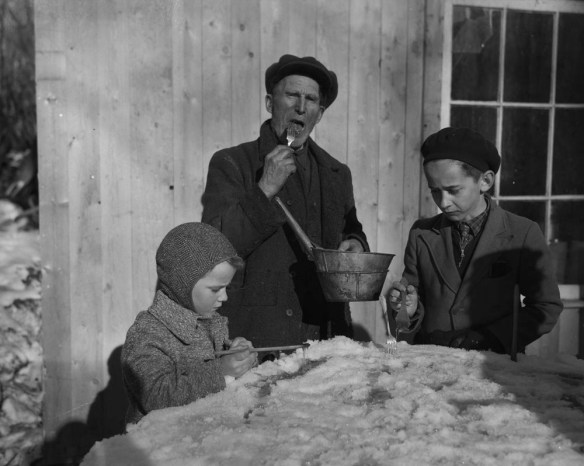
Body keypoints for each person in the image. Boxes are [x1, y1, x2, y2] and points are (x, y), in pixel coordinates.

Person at [201, 54, 369, 358]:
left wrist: (355, 244)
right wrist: (264, 188)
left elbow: (351, 229)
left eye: (311, 100)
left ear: (320, 113)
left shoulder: (337, 173)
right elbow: (213, 247)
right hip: (257, 342)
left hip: (325, 340)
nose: (301, 107)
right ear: (269, 103)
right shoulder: (233, 163)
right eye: (291, 95)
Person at [387, 127, 562, 354]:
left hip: (492, 368)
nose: (444, 202)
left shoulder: (522, 233)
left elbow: (546, 306)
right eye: (435, 191)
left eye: (453, 190)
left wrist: (488, 338)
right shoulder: (422, 233)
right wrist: (408, 309)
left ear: (485, 181)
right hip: (431, 364)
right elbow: (413, 297)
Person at [121, 222, 257, 425]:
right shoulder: (147, 333)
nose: (225, 297)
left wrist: (238, 357)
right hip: (160, 446)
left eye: (226, 287)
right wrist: (221, 371)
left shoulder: (210, 321)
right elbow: (155, 396)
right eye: (215, 289)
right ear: (182, 284)